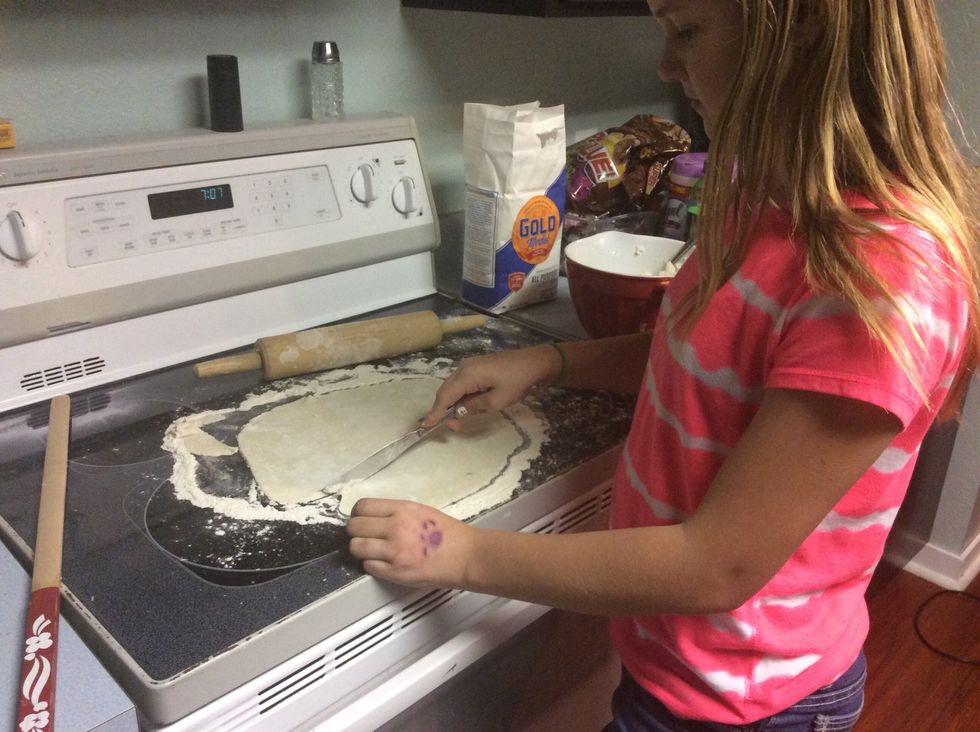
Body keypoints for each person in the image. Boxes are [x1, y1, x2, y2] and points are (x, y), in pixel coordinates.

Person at [347, 0, 979, 729]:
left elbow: (717, 565)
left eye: (686, 31)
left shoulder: (876, 282)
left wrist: (458, 553)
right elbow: (702, 356)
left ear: (802, 27)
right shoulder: (761, 198)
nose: (664, 66)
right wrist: (550, 361)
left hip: (743, 704)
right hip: (664, 656)